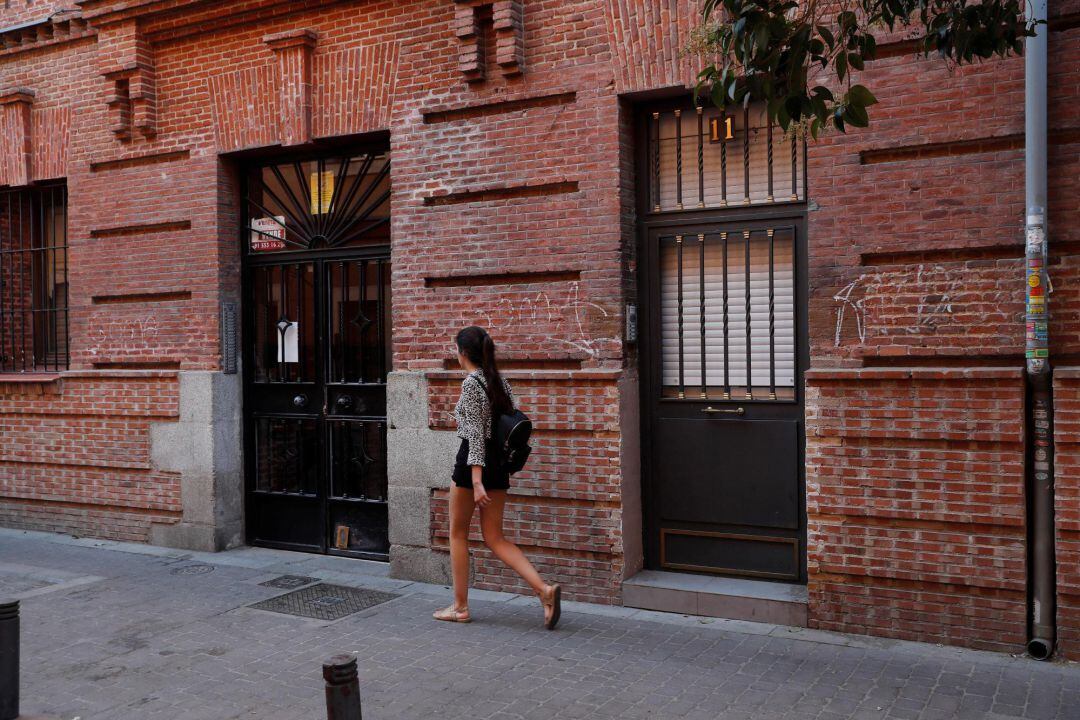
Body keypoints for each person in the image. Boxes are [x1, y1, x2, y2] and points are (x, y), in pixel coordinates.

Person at [433, 325, 562, 629]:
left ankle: (460, 607)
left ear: (463, 353)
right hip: (499, 464)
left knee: (457, 534)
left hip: (472, 464)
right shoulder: (500, 382)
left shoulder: (471, 384)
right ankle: (543, 591)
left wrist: (476, 481)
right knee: (495, 537)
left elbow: (476, 436)